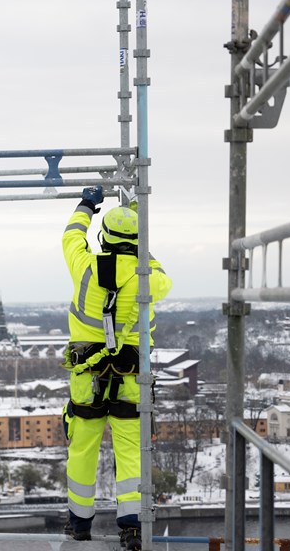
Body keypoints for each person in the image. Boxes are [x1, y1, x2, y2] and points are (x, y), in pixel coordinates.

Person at [61, 185, 172, 551]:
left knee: (82, 450)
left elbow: (72, 234)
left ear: (103, 238)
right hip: (130, 377)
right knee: (130, 453)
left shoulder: (85, 266)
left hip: (87, 375)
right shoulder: (149, 277)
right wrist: (140, 230)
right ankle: (132, 528)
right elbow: (161, 274)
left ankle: (79, 525)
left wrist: (87, 204)